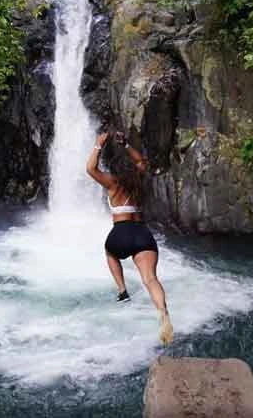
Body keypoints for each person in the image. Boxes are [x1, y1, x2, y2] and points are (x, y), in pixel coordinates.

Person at [86, 130, 173, 345]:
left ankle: (122, 290)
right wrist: (125, 144)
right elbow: (141, 160)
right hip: (142, 234)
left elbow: (90, 168)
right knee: (150, 279)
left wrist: (99, 144)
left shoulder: (112, 183)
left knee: (109, 252)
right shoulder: (138, 179)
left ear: (115, 170)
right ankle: (163, 312)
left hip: (120, 233)